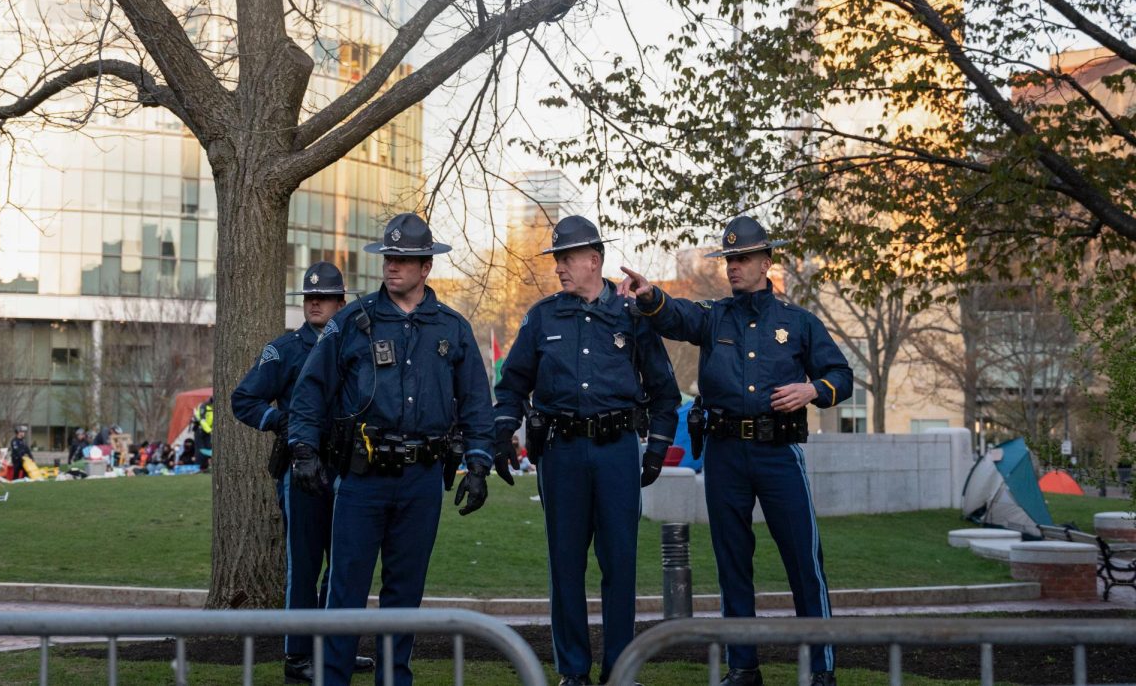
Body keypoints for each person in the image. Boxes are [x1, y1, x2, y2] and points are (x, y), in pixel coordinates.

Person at [619, 215, 853, 686]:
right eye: (729, 259)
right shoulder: (714, 317)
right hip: (725, 452)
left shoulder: (798, 322)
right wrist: (648, 296)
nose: (734, 267)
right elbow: (675, 315)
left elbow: (840, 376)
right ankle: (743, 666)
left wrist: (812, 391)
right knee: (731, 562)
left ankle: (821, 669)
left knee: (804, 561)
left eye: (743, 258)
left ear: (766, 262)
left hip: (778, 451)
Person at [289, 212, 494, 686]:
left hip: (422, 479)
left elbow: (477, 404)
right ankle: (332, 678)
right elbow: (310, 391)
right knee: (346, 591)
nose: (393, 266)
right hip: (363, 478)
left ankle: (393, 679)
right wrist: (302, 448)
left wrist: (479, 463)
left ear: (426, 267)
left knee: (405, 594)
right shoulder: (351, 323)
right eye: (389, 257)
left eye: (403, 259)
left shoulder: (452, 329)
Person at [493, 215, 680, 686]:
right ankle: (573, 671)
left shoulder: (632, 316)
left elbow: (663, 390)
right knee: (566, 564)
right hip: (562, 453)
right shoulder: (541, 316)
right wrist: (502, 431)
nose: (559, 268)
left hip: (617, 450)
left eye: (567, 258)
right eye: (557, 259)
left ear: (594, 260)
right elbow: (512, 383)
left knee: (620, 563)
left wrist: (657, 447)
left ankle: (620, 669)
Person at [231, 261, 373, 682]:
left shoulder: (356, 346)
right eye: (309, 298)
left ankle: (332, 649)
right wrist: (279, 421)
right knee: (304, 566)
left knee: (343, 564)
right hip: (301, 469)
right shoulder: (286, 349)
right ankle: (297, 655)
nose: (315, 303)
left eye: (324, 298)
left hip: (348, 466)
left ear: (340, 303)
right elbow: (244, 400)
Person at [191, 399, 213, 471]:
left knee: (208, 448)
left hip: (208, 430)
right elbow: (202, 420)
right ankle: (198, 467)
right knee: (200, 448)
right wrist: (210, 430)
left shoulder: (213, 407)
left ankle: (205, 467)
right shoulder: (203, 406)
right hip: (200, 429)